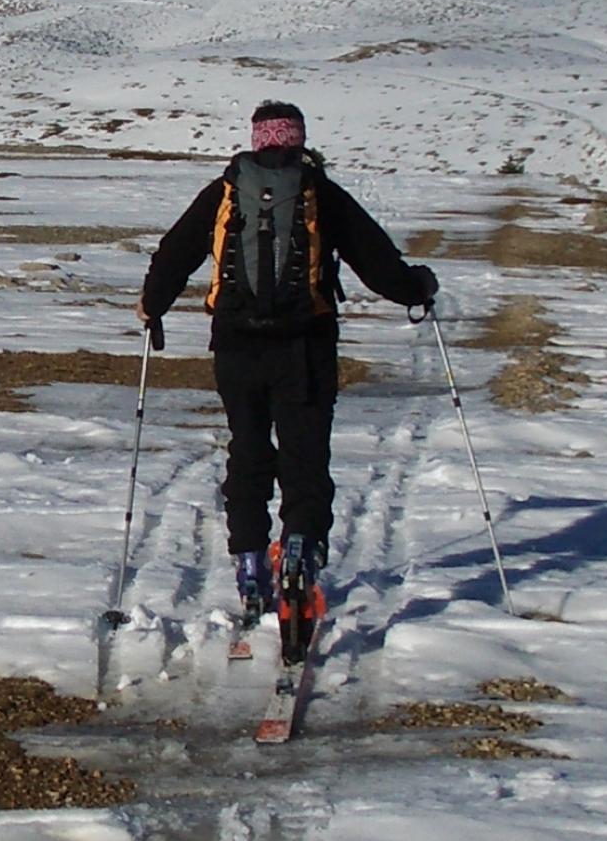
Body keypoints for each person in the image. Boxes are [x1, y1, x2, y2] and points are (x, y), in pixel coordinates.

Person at [135, 100, 437, 657]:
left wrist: (153, 306)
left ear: (256, 140)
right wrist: (418, 287)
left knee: (247, 452)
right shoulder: (320, 192)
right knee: (304, 456)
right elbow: (378, 262)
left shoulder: (225, 192)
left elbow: (175, 252)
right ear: (299, 140)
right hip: (306, 345)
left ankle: (250, 564)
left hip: (235, 346)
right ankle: (298, 552)